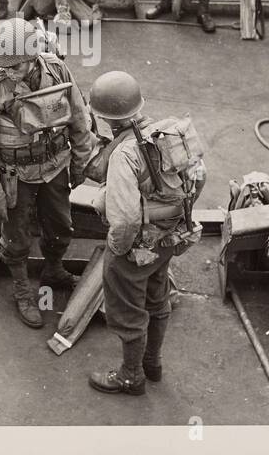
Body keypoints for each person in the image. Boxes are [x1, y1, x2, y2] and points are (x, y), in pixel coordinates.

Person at [84, 71, 206, 395]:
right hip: (169, 238)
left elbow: (124, 221)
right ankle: (153, 364)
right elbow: (200, 176)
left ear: (106, 117)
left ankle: (130, 376)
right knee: (157, 296)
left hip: (137, 245)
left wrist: (117, 248)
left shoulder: (124, 154)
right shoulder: (169, 132)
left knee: (128, 310)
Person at [0, 19, 96, 328]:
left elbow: (79, 118)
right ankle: (23, 290)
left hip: (55, 166)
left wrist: (81, 162)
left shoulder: (57, 71)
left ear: (31, 57)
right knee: (17, 238)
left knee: (61, 226)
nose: (9, 71)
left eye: (15, 66)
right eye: (5, 67)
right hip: (16, 175)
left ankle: (53, 269)